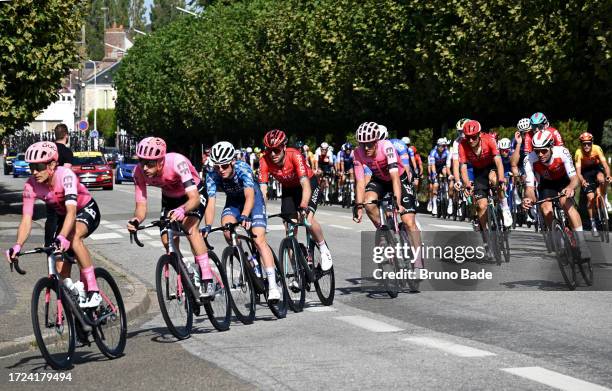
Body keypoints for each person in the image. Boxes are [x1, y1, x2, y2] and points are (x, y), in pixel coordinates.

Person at [6, 142, 102, 307]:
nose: (34, 172)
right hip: (64, 216)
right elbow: (26, 219)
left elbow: (72, 212)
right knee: (60, 268)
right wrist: (17, 245)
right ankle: (79, 308)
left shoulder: (66, 175)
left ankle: (94, 291)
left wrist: (63, 237)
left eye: (39, 166)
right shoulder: (31, 185)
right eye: (31, 167)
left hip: (85, 209)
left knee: (72, 237)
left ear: (52, 164)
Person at [126, 137, 213, 298]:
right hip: (170, 199)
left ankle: (208, 279)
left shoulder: (177, 162)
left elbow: (193, 198)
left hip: (194, 193)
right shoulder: (138, 172)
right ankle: (188, 271)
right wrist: (136, 220)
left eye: (150, 163)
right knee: (167, 240)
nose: (144, 167)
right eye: (141, 162)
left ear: (160, 162)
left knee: (189, 228)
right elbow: (141, 207)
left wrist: (182, 210)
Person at [205, 141, 280, 302]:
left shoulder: (242, 168)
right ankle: (248, 261)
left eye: (224, 166)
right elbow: (211, 203)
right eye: (217, 166)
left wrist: (245, 216)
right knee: (227, 230)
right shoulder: (212, 174)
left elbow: (250, 196)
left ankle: (273, 286)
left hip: (253, 201)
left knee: (258, 239)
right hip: (233, 203)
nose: (220, 170)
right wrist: (207, 226)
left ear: (232, 161)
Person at [352, 122, 423, 272]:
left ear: (377, 141)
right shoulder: (357, 153)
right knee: (368, 202)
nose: (366, 148)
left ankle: (418, 263)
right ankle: (384, 231)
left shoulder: (387, 147)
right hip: (379, 180)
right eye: (362, 144)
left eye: (370, 144)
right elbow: (359, 182)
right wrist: (358, 206)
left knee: (408, 221)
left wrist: (397, 201)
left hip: (399, 179)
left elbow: (395, 177)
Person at [259, 130, 333, 271]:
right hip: (289, 189)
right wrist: (261, 212)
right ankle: (297, 271)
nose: (272, 154)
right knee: (290, 229)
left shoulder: (295, 155)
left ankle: (324, 249)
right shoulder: (264, 160)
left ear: (284, 147)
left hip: (308, 184)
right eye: (269, 150)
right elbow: (263, 190)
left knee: (307, 219)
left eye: (276, 150)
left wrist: (304, 205)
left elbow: (305, 184)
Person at [522, 130, 591, 261]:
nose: (540, 154)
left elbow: (574, 178)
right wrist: (528, 198)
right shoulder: (529, 159)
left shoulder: (562, 152)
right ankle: (561, 243)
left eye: (543, 150)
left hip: (564, 181)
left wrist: (570, 188)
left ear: (551, 146)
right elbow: (530, 188)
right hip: (547, 184)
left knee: (566, 202)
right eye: (537, 151)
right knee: (545, 208)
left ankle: (582, 244)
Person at [457, 120, 512, 230]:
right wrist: (467, 184)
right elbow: (463, 166)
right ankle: (486, 233)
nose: (471, 140)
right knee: (481, 206)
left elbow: (498, 161)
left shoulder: (489, 140)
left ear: (479, 134)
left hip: (491, 166)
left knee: (494, 179)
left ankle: (505, 207)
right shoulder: (462, 144)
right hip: (478, 171)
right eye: (468, 137)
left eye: (473, 137)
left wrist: (501, 179)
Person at [574, 132, 612, 234]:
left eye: (589, 143)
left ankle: (604, 197)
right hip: (585, 173)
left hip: (596, 169)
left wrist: (608, 175)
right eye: (584, 144)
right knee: (590, 198)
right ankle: (593, 223)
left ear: (592, 143)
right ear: (581, 144)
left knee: (601, 178)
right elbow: (578, 172)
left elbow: (606, 166)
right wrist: (582, 181)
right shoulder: (578, 153)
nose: (586, 146)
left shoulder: (597, 149)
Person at [45, 124, 73, 247]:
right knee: (64, 216)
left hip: (48, 188)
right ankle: (60, 243)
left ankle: (47, 244)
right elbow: (66, 172)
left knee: (51, 217)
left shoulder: (49, 150)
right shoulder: (67, 152)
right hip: (62, 190)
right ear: (66, 135)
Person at [427, 138, 450, 215]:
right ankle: (434, 204)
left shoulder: (447, 152)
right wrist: (434, 174)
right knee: (435, 185)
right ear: (437, 146)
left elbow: (447, 165)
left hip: (443, 167)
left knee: (445, 171)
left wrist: (448, 175)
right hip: (435, 167)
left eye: (444, 146)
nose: (442, 148)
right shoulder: (433, 152)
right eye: (440, 146)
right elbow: (432, 165)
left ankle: (446, 186)